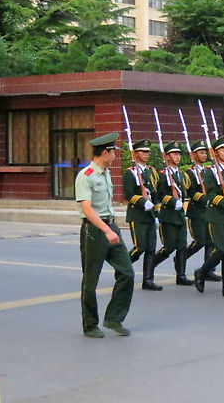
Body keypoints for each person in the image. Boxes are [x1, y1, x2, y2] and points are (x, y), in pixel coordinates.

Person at [75, 133, 134, 338]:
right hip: (95, 231)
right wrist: (106, 230)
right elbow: (88, 209)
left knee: (127, 273)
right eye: (113, 152)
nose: (116, 156)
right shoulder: (86, 176)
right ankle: (90, 325)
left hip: (111, 226)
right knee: (91, 281)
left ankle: (114, 318)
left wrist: (112, 228)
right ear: (105, 152)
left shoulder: (106, 173)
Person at [193, 135, 224, 297]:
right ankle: (202, 271)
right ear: (215, 153)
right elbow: (210, 194)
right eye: (223, 150)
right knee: (223, 249)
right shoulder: (210, 172)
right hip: (217, 215)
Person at [152, 141, 193, 286]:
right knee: (168, 248)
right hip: (168, 215)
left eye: (179, 154)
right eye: (174, 154)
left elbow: (184, 193)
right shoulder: (163, 175)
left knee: (182, 246)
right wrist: (172, 201)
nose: (178, 157)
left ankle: (181, 275)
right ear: (167, 156)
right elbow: (159, 195)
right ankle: (151, 267)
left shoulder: (181, 175)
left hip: (180, 215)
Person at [123, 138, 160, 291]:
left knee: (151, 248)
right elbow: (129, 194)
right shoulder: (131, 173)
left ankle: (148, 279)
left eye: (147, 152)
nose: (146, 154)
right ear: (135, 153)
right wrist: (142, 202)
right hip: (137, 215)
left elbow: (155, 193)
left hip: (150, 215)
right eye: (143, 152)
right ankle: (122, 267)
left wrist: (156, 213)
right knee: (140, 247)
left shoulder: (150, 171)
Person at [184, 140, 220, 283]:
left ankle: (208, 269)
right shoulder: (189, 173)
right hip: (197, 212)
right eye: (201, 152)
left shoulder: (209, 171)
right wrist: (206, 199)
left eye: (205, 152)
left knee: (211, 242)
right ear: (193, 155)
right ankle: (182, 257)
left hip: (209, 212)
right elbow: (192, 192)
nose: (204, 155)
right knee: (200, 241)